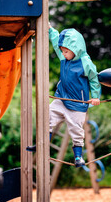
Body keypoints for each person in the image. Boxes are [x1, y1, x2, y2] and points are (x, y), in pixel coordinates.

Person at [27, 24, 101, 168]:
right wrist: (50, 30)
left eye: (66, 51)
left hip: (77, 104)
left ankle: (78, 156)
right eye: (63, 51)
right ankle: (42, 145)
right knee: (46, 117)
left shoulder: (85, 62)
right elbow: (56, 41)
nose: (64, 54)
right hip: (61, 98)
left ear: (76, 49)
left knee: (76, 130)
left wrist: (96, 96)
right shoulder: (64, 58)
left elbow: (94, 79)